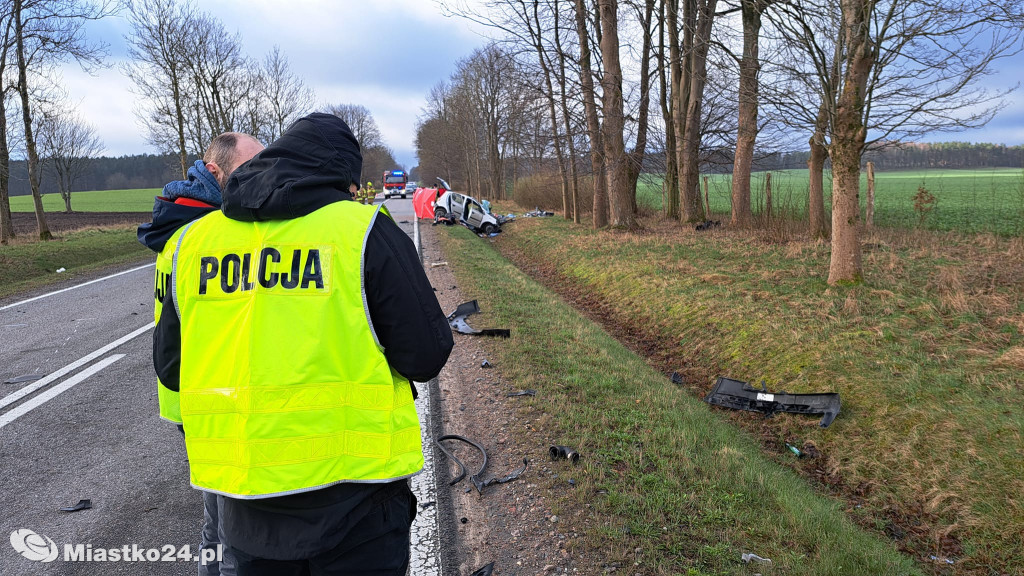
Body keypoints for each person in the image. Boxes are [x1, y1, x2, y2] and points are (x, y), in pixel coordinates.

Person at [153, 113, 453, 575]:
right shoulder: (363, 231)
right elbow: (426, 355)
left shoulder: (193, 242)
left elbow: (172, 368)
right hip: (359, 501)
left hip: (248, 503)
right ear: (341, 175)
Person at [137, 132, 264, 576]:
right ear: (215, 172)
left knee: (217, 521)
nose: (260, 175)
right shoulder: (203, 234)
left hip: (191, 393)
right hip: (209, 396)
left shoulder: (181, 223)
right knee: (233, 529)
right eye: (249, 167)